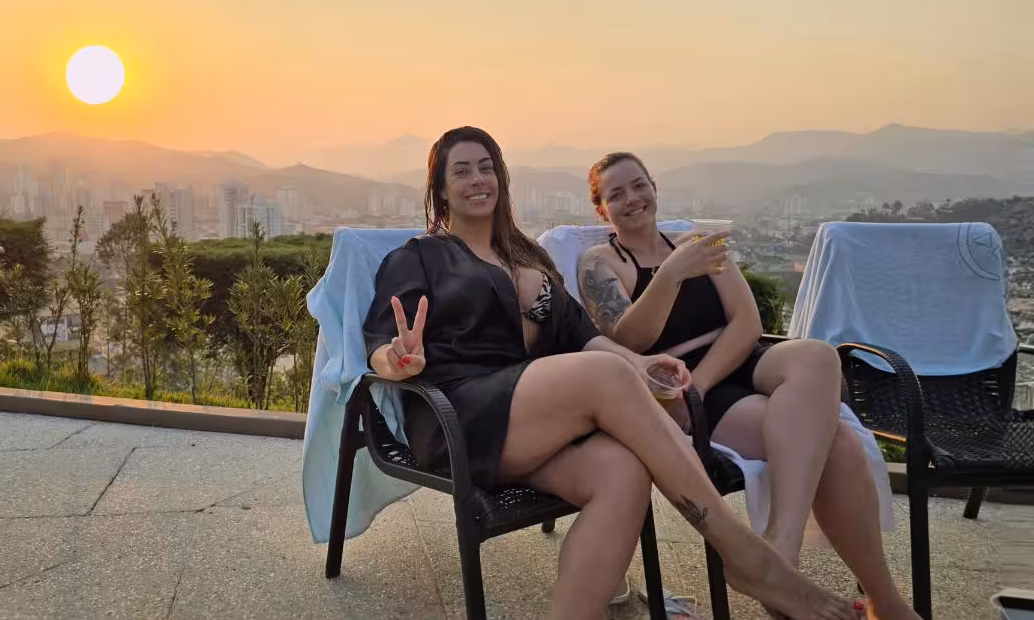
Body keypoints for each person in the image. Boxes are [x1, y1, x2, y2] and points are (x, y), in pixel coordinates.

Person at [363, 127, 860, 620]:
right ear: (441, 189)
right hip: (461, 414)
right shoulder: (420, 257)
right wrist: (396, 359)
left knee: (623, 472)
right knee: (604, 373)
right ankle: (748, 558)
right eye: (461, 171)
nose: (477, 179)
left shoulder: (528, 257)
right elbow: (382, 341)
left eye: (486, 167)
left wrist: (638, 363)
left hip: (531, 422)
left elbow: (582, 336)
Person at [576, 151, 918, 620]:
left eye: (639, 185)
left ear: (654, 186)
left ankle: (781, 548)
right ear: (602, 210)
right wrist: (672, 274)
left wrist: (701, 384)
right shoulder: (599, 263)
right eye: (616, 194)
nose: (632, 198)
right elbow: (631, 338)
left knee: (819, 354)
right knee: (837, 443)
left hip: (730, 363)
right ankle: (886, 602)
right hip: (677, 378)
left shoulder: (697, 244)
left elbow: (747, 323)